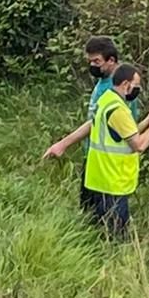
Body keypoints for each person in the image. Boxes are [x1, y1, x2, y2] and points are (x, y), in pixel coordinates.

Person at [73, 62, 149, 236]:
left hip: (99, 179)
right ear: (126, 85)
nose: (137, 90)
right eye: (136, 86)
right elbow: (139, 144)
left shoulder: (106, 100)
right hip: (113, 183)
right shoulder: (119, 110)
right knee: (115, 238)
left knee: (97, 233)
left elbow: (125, 133)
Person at [43, 35, 119, 214]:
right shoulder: (103, 81)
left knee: (104, 214)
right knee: (87, 210)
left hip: (106, 159)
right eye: (90, 61)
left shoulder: (117, 88)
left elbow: (95, 123)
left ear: (111, 60)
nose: (93, 65)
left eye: (97, 61)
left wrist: (63, 144)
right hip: (93, 154)